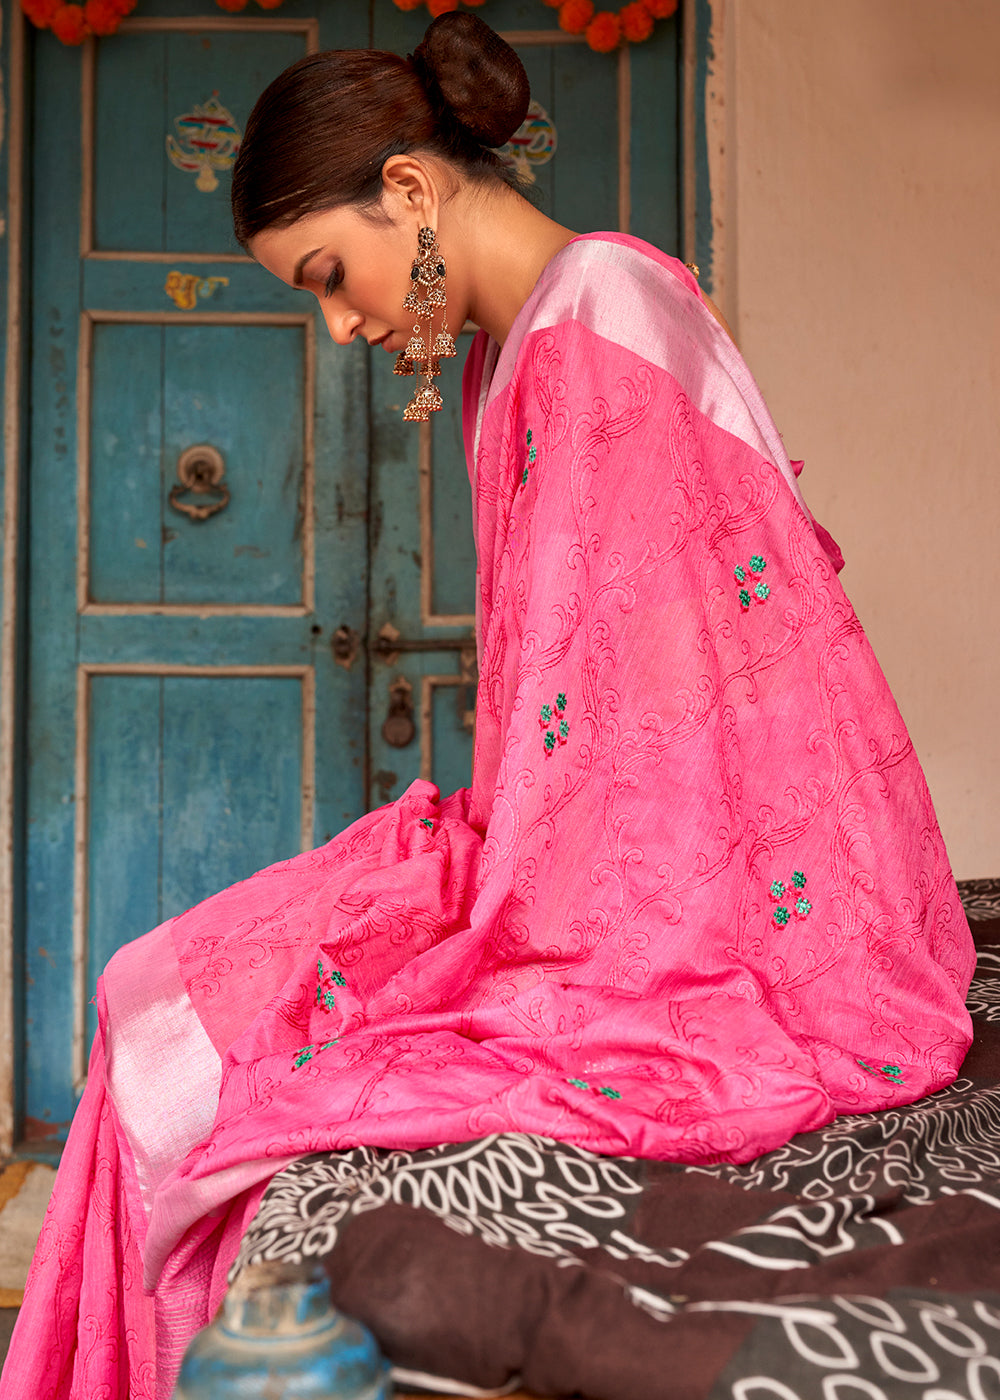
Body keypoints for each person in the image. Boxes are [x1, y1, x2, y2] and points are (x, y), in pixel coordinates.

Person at [1, 14, 975, 1400]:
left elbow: (680, 710)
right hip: (585, 828)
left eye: (330, 275)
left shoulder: (599, 318)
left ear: (408, 190)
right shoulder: (513, 344)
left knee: (189, 1031)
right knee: (154, 997)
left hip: (722, 867)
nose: (339, 323)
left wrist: (505, 891)